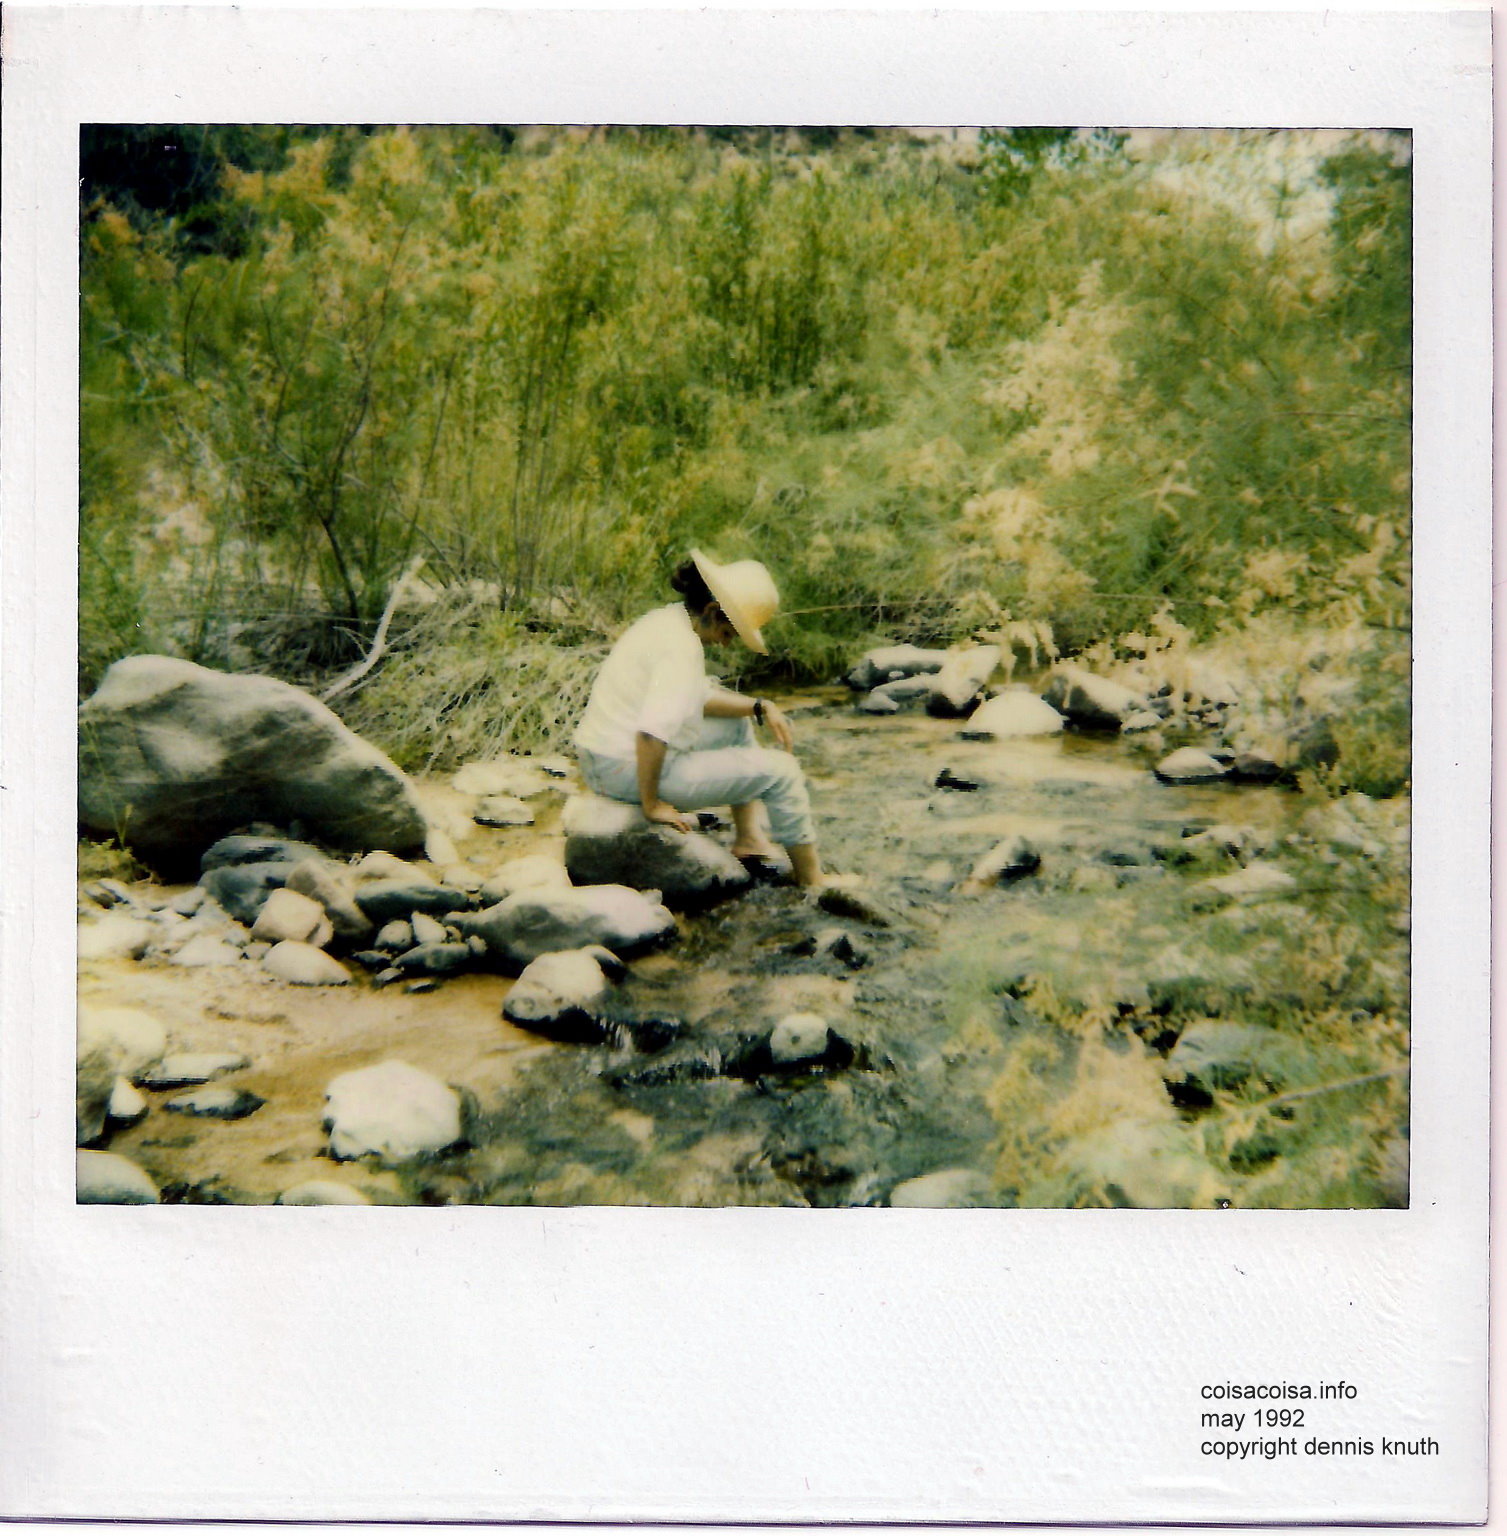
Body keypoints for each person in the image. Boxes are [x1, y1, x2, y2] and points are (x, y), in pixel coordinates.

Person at [574, 550, 826, 888]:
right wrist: (652, 805)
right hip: (621, 770)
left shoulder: (667, 621)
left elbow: (696, 698)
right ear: (711, 612)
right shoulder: (680, 649)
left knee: (736, 723)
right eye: (731, 632)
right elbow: (651, 733)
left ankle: (749, 839)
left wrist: (759, 706)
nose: (728, 643)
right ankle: (813, 882)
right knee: (783, 773)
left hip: (600, 758)